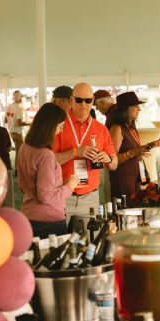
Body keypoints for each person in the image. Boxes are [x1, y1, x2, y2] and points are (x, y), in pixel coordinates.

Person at [53, 82, 118, 230]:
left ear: (93, 101)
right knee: (61, 244)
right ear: (71, 100)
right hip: (62, 195)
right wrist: (75, 152)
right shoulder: (58, 125)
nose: (84, 104)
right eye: (79, 100)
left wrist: (107, 158)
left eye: (88, 100)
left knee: (90, 243)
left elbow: (114, 164)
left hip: (90, 197)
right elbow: (48, 160)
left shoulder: (101, 129)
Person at [17, 103, 80, 239]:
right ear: (50, 126)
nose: (61, 130)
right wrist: (69, 187)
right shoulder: (46, 155)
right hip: (48, 221)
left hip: (28, 215)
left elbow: (22, 185)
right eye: (60, 126)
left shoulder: (24, 147)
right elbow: (46, 196)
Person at [109, 91, 160, 206]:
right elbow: (111, 160)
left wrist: (150, 145)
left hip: (134, 179)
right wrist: (133, 152)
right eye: (135, 106)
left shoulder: (130, 128)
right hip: (123, 181)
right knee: (126, 212)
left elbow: (137, 151)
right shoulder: (117, 128)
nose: (139, 109)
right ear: (126, 109)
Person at [5, 90, 30, 171]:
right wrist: (29, 124)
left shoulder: (9, 106)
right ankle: (17, 169)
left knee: (18, 151)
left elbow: (5, 120)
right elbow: (19, 123)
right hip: (17, 132)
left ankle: (17, 168)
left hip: (11, 131)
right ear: (19, 98)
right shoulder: (18, 108)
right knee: (19, 153)